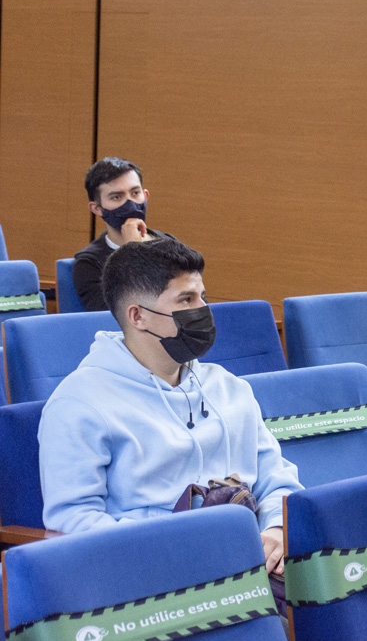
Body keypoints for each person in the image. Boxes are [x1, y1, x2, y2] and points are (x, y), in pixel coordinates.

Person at [39, 238, 302, 576]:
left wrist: (277, 530)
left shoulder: (229, 387)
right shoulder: (79, 404)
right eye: (186, 299)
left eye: (202, 296)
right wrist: (178, 551)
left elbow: (276, 476)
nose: (203, 310)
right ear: (138, 316)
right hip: (159, 578)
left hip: (252, 563)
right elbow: (72, 520)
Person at [74, 157, 176, 311]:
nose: (129, 204)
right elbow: (118, 318)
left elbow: (197, 305)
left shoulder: (170, 245)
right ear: (97, 208)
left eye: (135, 193)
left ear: (145, 196)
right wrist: (133, 252)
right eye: (117, 197)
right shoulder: (89, 263)